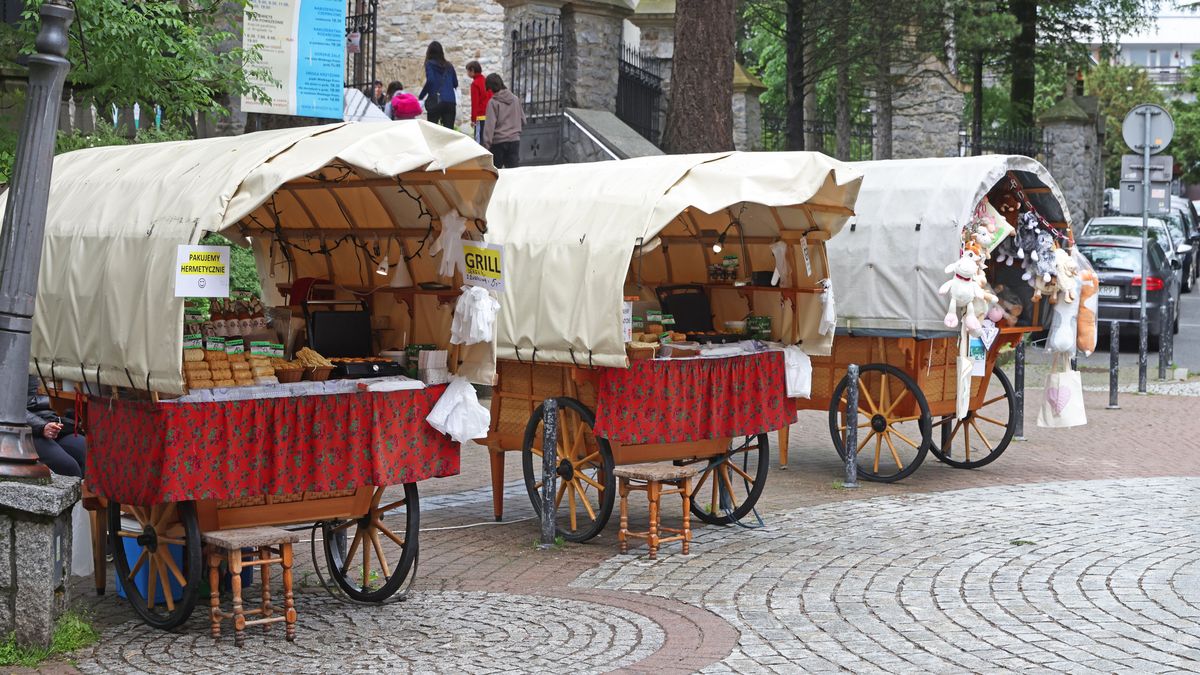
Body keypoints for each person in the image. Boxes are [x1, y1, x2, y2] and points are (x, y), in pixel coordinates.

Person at [26, 375, 85, 477]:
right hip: (25, 430)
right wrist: (42, 426)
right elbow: (7, 409)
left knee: (86, 450)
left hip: (49, 420)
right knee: (68, 467)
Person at [482, 73, 524, 169]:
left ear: (491, 87)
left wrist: (486, 145)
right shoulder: (515, 99)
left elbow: (489, 126)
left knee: (497, 174)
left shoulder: (493, 102)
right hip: (514, 140)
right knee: (513, 173)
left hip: (498, 142)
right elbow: (523, 120)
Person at [418, 41, 459, 128]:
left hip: (436, 101)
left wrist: (421, 96)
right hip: (450, 102)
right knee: (449, 133)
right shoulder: (449, 66)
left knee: (432, 131)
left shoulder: (429, 63)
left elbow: (431, 80)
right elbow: (455, 83)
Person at [465, 60, 492, 144]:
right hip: (490, 115)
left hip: (480, 117)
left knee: (479, 142)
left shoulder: (475, 84)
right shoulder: (486, 80)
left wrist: (473, 119)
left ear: (472, 70)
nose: (467, 73)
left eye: (468, 71)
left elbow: (475, 103)